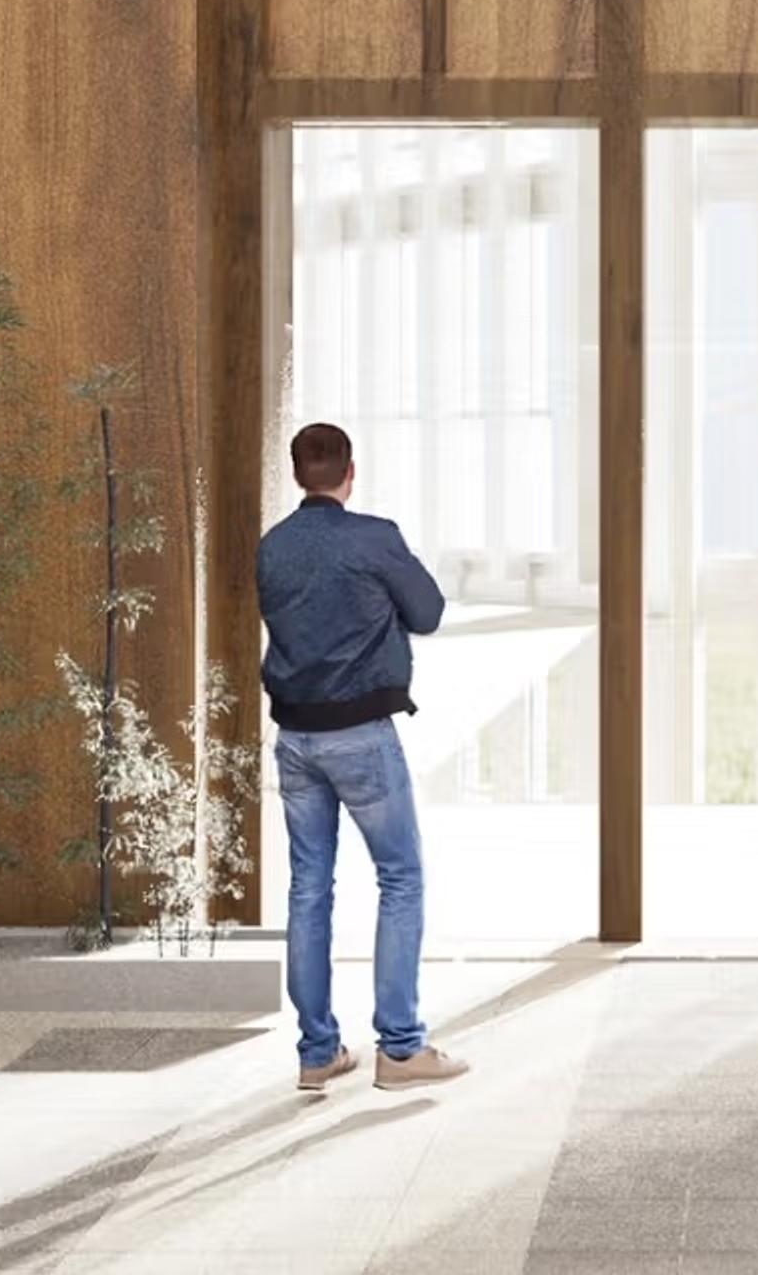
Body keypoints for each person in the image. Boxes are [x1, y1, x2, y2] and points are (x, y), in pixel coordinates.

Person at [259, 422, 467, 1096]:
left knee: (308, 889)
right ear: (351, 473)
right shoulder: (374, 537)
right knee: (400, 878)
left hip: (294, 739)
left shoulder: (272, 549)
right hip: (360, 735)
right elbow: (428, 612)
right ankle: (401, 1049)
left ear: (297, 476)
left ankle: (318, 1052)